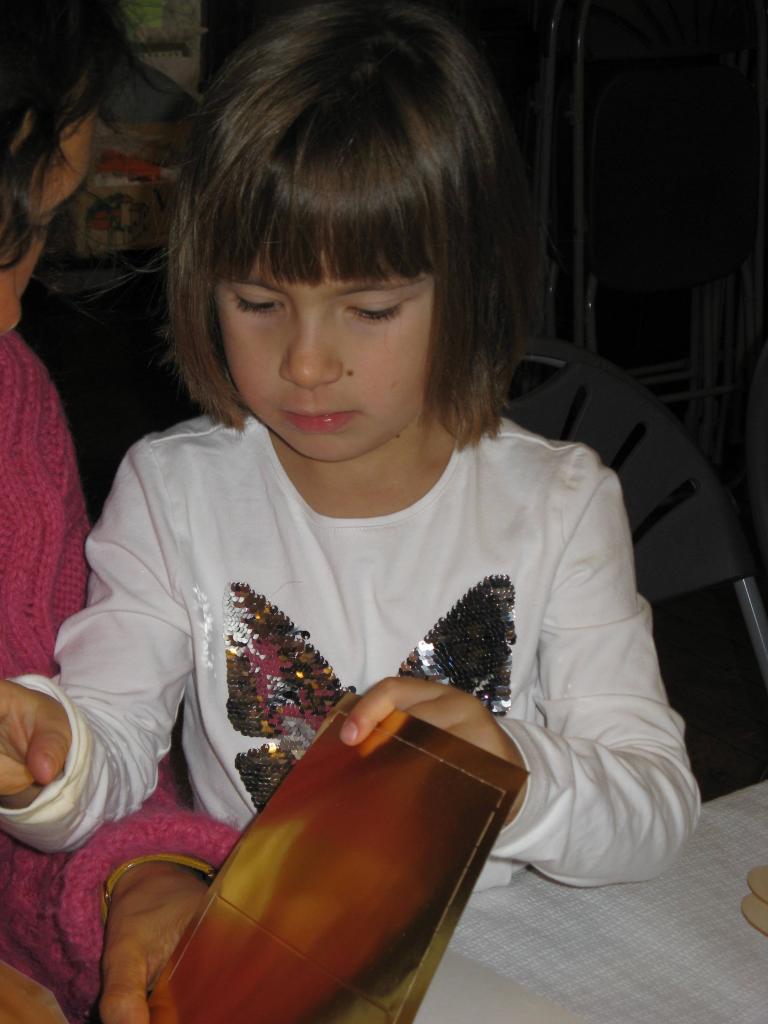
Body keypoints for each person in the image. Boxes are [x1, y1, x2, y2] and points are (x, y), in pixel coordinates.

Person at [0, 1, 701, 1019]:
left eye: (370, 309)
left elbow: (657, 811)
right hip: (265, 964)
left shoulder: (557, 502)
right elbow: (109, 751)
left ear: (473, 286)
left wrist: (511, 773)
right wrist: (48, 768)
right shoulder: (175, 491)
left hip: (509, 960)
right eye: (256, 300)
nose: (307, 362)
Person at [0, 3, 239, 1022]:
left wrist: (136, 880)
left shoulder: (13, 408)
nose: (13, 309)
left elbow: (68, 751)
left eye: (34, 235)